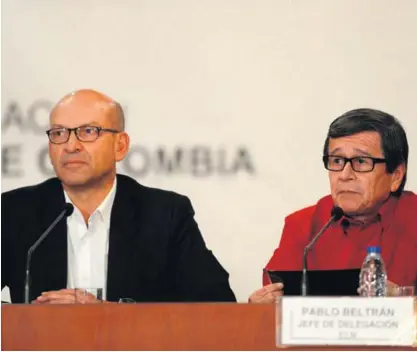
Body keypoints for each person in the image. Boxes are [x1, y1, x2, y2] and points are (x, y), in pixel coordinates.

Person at [1, 89, 236, 304]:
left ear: (120, 146)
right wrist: (25, 320)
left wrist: (108, 315)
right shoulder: (13, 211)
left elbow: (216, 304)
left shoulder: (165, 215)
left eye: (88, 131)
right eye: (59, 133)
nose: (71, 145)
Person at [249, 108, 417, 303]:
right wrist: (261, 308)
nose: (345, 175)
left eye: (361, 161)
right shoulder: (303, 225)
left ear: (395, 176)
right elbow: (275, 302)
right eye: (337, 161)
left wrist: (403, 300)